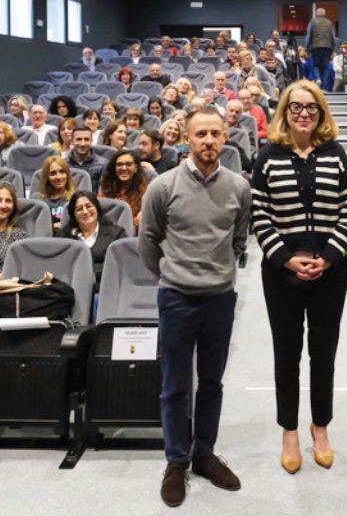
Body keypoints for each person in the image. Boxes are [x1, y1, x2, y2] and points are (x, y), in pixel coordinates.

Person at [139, 108, 251, 507]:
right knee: (174, 386)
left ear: (225, 138)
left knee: (212, 382)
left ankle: (204, 453)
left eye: (215, 134)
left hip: (220, 299)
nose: (208, 141)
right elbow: (148, 242)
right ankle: (176, 460)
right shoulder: (163, 187)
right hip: (176, 297)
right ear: (186, 138)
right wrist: (173, 274)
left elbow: (240, 239)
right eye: (200, 133)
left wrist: (219, 270)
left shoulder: (239, 187)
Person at [250, 80, 347, 475]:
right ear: (285, 112)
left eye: (312, 107)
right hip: (282, 274)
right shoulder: (268, 155)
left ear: (321, 112)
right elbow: (259, 213)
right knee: (287, 354)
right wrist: (286, 259)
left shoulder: (337, 153)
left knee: (323, 353)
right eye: (296, 107)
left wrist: (328, 258)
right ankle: (290, 430)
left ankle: (320, 426)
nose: (304, 113)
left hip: (329, 272)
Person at [65, 191, 127, 288]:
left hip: (106, 287)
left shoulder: (116, 234)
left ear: (97, 208)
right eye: (79, 209)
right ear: (73, 215)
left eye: (89, 206)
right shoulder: (64, 237)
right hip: (73, 288)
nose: (85, 212)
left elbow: (120, 266)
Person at [98, 150, 149, 231]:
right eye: (119, 165)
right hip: (107, 233)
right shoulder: (106, 189)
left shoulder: (146, 192)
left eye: (128, 164)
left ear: (135, 168)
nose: (123, 168)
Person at [30, 156, 75, 234]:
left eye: (62, 172)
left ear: (67, 174)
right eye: (53, 173)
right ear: (47, 177)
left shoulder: (75, 199)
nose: (58, 177)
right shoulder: (37, 200)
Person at [66, 126, 108, 194]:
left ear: (91, 141)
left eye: (86, 139)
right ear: (72, 141)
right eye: (79, 139)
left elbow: (103, 192)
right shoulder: (64, 163)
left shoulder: (103, 164)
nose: (83, 144)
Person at [304, 7, 336, 92]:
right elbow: (333, 36)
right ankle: (324, 87)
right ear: (324, 14)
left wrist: (306, 48)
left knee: (316, 65)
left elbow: (308, 36)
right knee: (325, 67)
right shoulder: (329, 23)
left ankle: (318, 78)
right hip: (327, 47)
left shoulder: (312, 22)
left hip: (316, 47)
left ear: (316, 14)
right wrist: (333, 48)